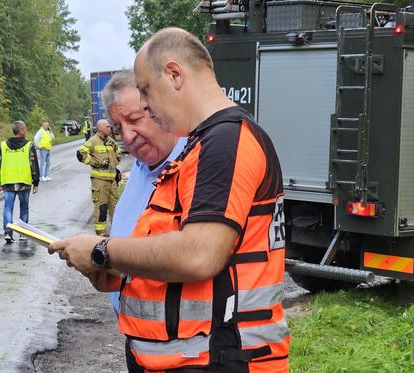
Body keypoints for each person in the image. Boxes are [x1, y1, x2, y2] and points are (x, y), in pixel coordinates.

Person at [50, 27, 289, 372]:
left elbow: (198, 255)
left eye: (146, 90)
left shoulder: (225, 142)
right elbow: (173, 250)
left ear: (175, 74)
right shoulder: (200, 146)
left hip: (219, 359)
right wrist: (112, 270)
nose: (145, 103)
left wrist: (103, 250)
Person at [100, 69, 187, 315]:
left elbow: (188, 257)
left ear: (159, 109)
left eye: (135, 120)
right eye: (118, 127)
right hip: (139, 336)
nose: (127, 136)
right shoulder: (140, 168)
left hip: (175, 345)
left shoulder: (192, 164)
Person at [0, 120, 40, 244]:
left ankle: (8, 233)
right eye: (25, 128)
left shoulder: (3, 145)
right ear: (22, 131)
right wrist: (36, 181)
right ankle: (23, 233)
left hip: (7, 181)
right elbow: (33, 164)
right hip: (24, 182)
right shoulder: (28, 145)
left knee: (8, 207)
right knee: (24, 207)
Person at [76, 119, 121, 236]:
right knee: (101, 207)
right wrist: (95, 163)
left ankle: (118, 232)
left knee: (116, 207)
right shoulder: (93, 141)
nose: (110, 129)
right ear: (100, 128)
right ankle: (101, 235)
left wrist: (115, 167)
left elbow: (118, 154)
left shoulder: (110, 142)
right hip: (100, 182)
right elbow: (80, 154)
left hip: (112, 181)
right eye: (107, 127)